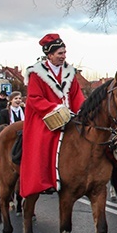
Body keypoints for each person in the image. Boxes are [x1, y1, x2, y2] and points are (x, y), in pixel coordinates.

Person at [21, 33, 85, 197]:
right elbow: (35, 99)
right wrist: (56, 108)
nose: (64, 56)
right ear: (49, 55)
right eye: (60, 53)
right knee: (46, 138)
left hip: (69, 115)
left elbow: (76, 95)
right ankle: (44, 180)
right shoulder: (36, 74)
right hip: (45, 116)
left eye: (64, 53)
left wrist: (83, 111)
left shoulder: (70, 72)